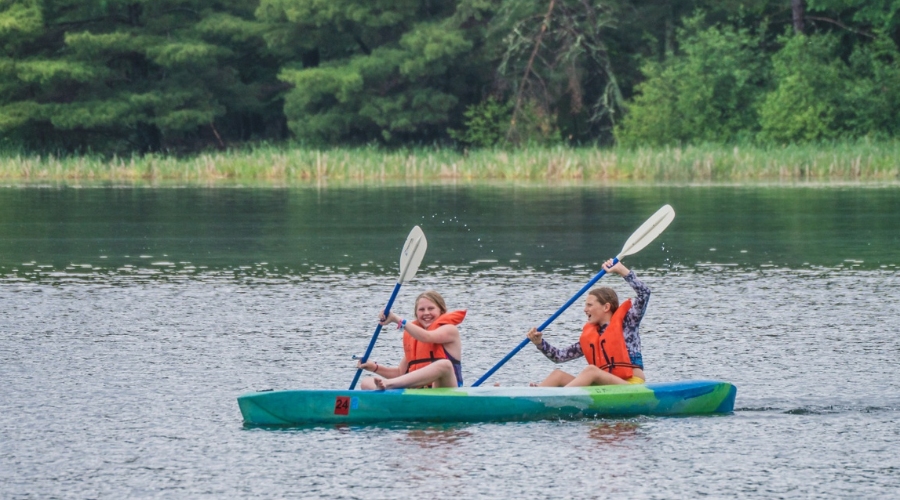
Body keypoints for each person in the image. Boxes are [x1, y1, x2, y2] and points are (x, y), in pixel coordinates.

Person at [527, 259, 649, 387]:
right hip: (604, 387)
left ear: (606, 307)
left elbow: (644, 293)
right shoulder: (593, 336)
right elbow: (559, 356)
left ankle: (557, 397)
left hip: (631, 386)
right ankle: (537, 398)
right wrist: (539, 343)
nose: (585, 309)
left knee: (591, 371)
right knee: (558, 375)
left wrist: (620, 269)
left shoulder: (628, 322)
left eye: (589, 305)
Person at [357, 290, 465, 390]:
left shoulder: (450, 330)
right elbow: (400, 373)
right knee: (366, 382)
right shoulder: (415, 338)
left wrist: (396, 319)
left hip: (447, 390)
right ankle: (389, 388)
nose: (426, 313)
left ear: (441, 311)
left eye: (431, 308)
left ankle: (388, 385)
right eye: (421, 310)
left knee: (444, 365)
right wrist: (374, 367)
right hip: (418, 392)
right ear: (416, 314)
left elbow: (426, 337)